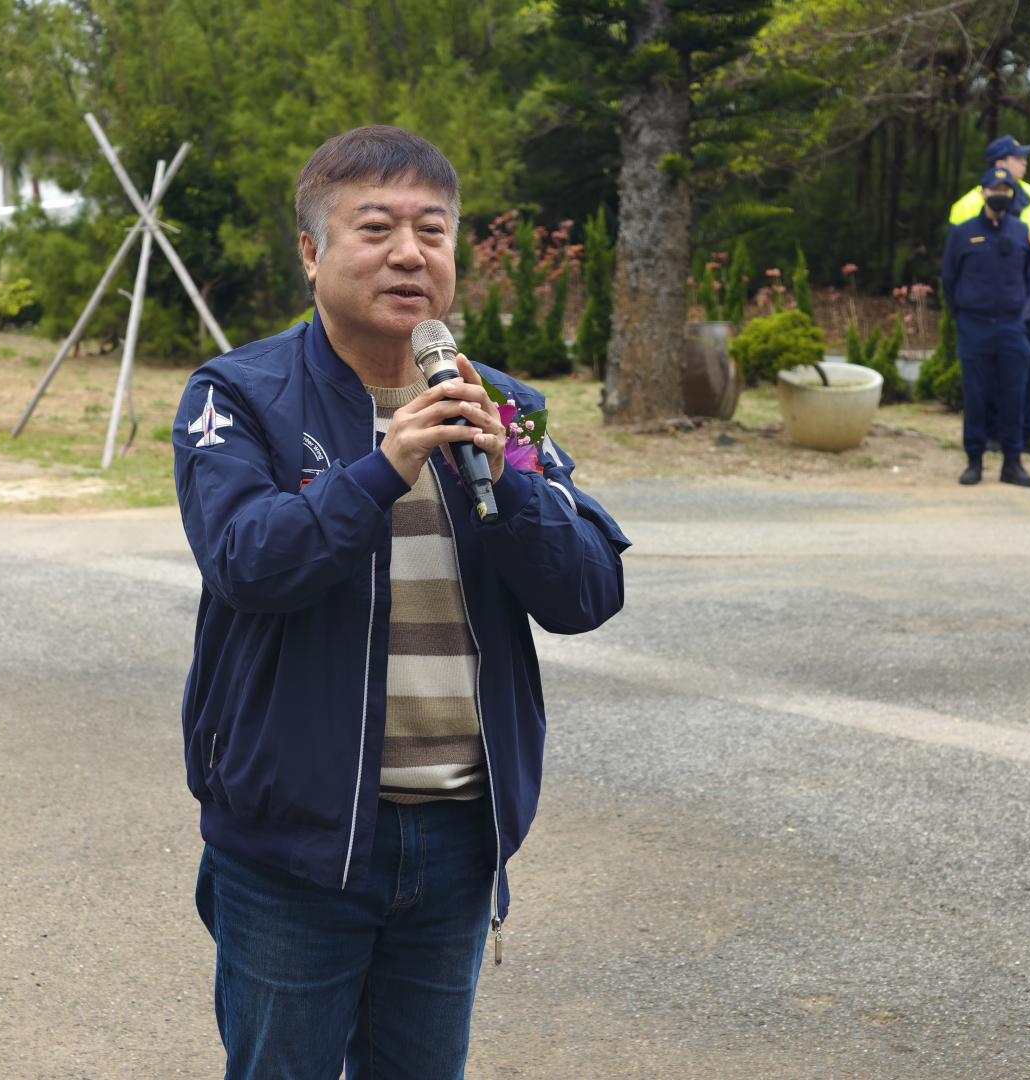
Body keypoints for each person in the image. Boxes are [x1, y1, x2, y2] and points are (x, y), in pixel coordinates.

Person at [173, 125, 629, 1079]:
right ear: (311, 250)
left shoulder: (499, 406)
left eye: (433, 230)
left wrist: (516, 486)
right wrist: (381, 469)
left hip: (460, 836)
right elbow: (246, 560)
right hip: (296, 848)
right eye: (375, 227)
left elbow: (589, 591)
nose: (409, 253)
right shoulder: (238, 395)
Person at [949, 135, 1030, 457]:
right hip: (985, 300)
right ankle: (990, 434)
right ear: (1000, 164)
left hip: (1023, 293)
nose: (1024, 162)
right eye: (1017, 157)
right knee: (988, 372)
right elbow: (954, 264)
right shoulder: (966, 205)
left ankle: (1027, 431)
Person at [942, 167, 1030, 488]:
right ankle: (975, 461)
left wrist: (1019, 313)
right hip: (975, 326)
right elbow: (949, 279)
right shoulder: (963, 233)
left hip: (1012, 327)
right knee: (975, 395)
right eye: (995, 189)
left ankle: (1013, 463)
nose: (1001, 194)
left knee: (1013, 395)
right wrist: (964, 314)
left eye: (1006, 190)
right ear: (983, 192)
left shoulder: (1020, 231)